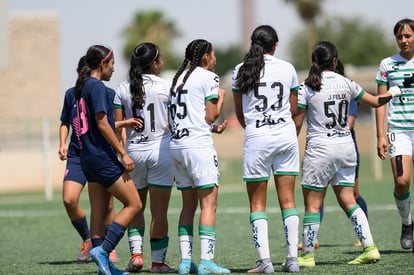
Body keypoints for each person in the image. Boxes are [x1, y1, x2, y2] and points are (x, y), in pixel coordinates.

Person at [294, 41, 401, 267]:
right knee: (349, 200)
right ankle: (370, 248)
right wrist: (394, 91)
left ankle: (307, 256)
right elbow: (375, 102)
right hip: (345, 149)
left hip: (319, 151)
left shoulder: (307, 87)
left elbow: (297, 122)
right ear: (334, 61)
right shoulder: (347, 83)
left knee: (312, 206)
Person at [232, 25, 301, 273]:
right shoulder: (288, 68)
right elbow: (293, 109)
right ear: (276, 44)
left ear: (252, 44)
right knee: (289, 201)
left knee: (257, 204)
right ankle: (292, 260)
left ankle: (266, 263)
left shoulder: (240, 70)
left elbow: (240, 114)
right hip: (285, 136)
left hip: (257, 138)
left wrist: (255, 126)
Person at [74, 44, 142, 275]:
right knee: (134, 204)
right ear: (102, 64)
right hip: (102, 157)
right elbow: (103, 123)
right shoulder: (96, 87)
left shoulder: (82, 87)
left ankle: (104, 265)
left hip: (87, 157)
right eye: (111, 64)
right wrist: (122, 153)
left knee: (98, 209)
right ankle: (104, 251)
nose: (114, 69)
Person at [113, 42, 176, 273]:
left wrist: (122, 153)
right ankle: (158, 264)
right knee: (159, 212)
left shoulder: (122, 88)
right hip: (161, 152)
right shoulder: (167, 87)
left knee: (135, 207)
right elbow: (174, 122)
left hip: (133, 154)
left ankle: (137, 256)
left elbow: (117, 127)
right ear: (154, 63)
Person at [169, 39, 230, 275]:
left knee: (187, 206)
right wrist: (221, 98)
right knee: (209, 204)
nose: (214, 59)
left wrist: (209, 127)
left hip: (177, 146)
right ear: (206, 57)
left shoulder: (178, 79)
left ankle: (185, 263)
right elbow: (211, 115)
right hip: (198, 148)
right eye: (213, 55)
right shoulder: (209, 77)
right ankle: (206, 261)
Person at [58, 56, 119, 263]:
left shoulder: (108, 93)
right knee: (69, 199)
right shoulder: (71, 95)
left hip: (99, 154)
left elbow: (108, 124)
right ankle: (88, 240)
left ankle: (108, 248)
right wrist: (62, 143)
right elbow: (65, 122)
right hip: (77, 155)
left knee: (107, 205)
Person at [375, 18, 414, 251]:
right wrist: (380, 135)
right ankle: (407, 223)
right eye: (400, 36)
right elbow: (380, 102)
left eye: (408, 36)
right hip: (398, 130)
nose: (403, 40)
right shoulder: (387, 64)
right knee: (401, 181)